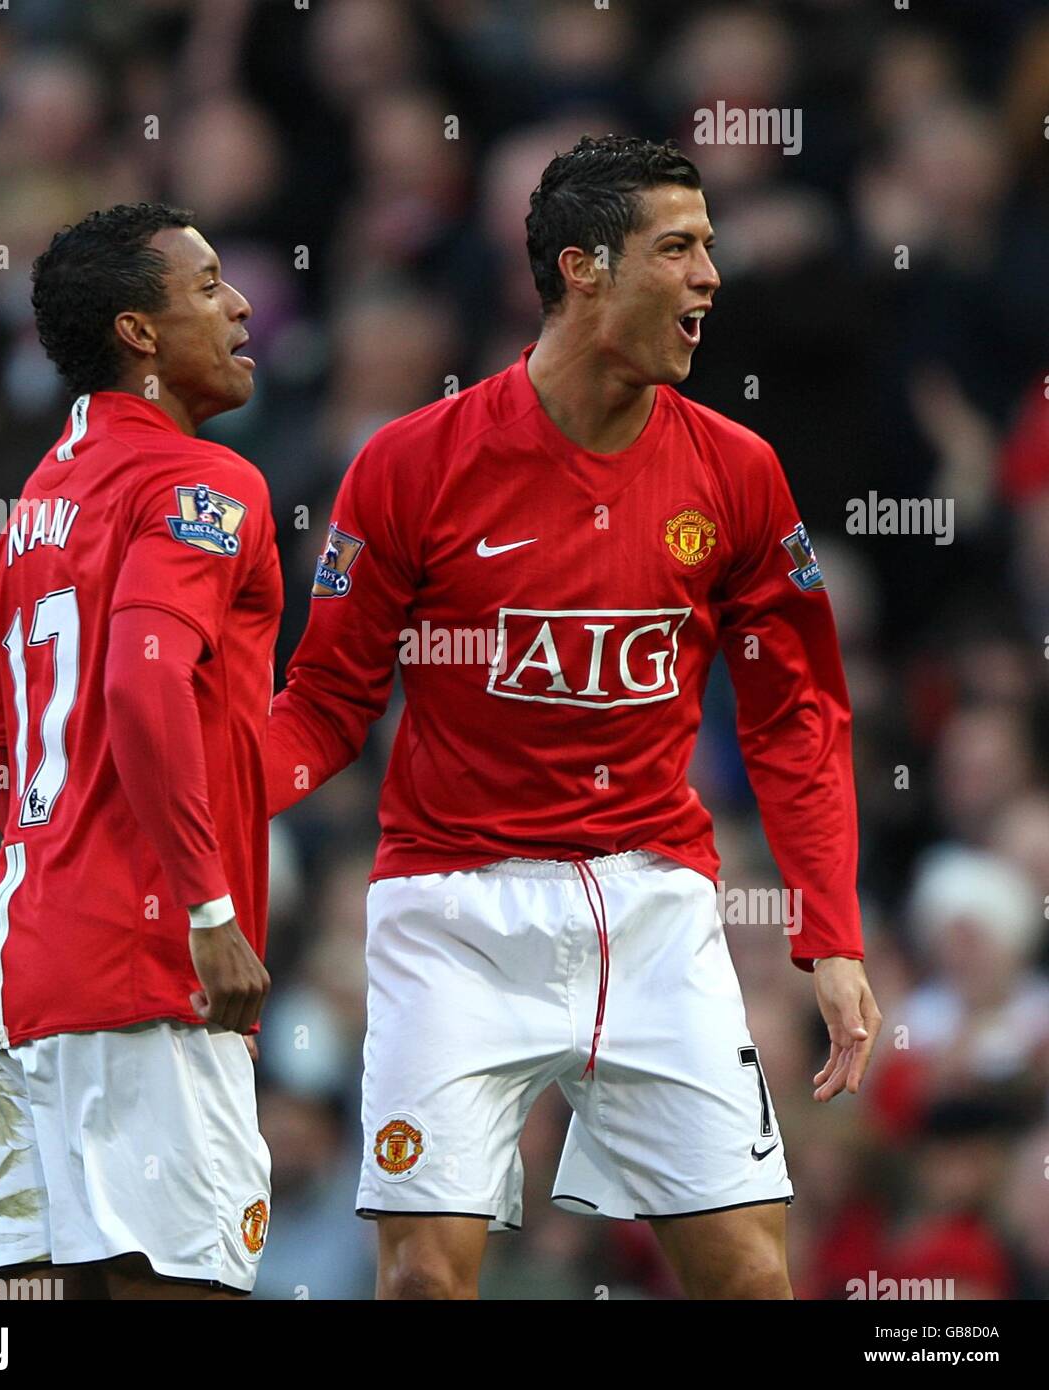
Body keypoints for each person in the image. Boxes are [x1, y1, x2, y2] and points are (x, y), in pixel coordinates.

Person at [266, 136, 882, 1300]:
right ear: (583, 268)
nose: (709, 276)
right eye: (678, 249)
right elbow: (327, 705)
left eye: (709, 247)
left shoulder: (739, 472)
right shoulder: (409, 466)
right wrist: (190, 806)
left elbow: (794, 711)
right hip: (451, 907)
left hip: (654, 908)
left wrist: (830, 929)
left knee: (752, 1276)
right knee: (420, 1284)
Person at [0, 203, 281, 1299]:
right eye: (205, 288)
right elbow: (143, 684)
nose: (239, 305)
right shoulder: (199, 483)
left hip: (23, 967)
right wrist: (207, 911)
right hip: (145, 968)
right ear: (139, 332)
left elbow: (4, 768)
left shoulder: (34, 509)